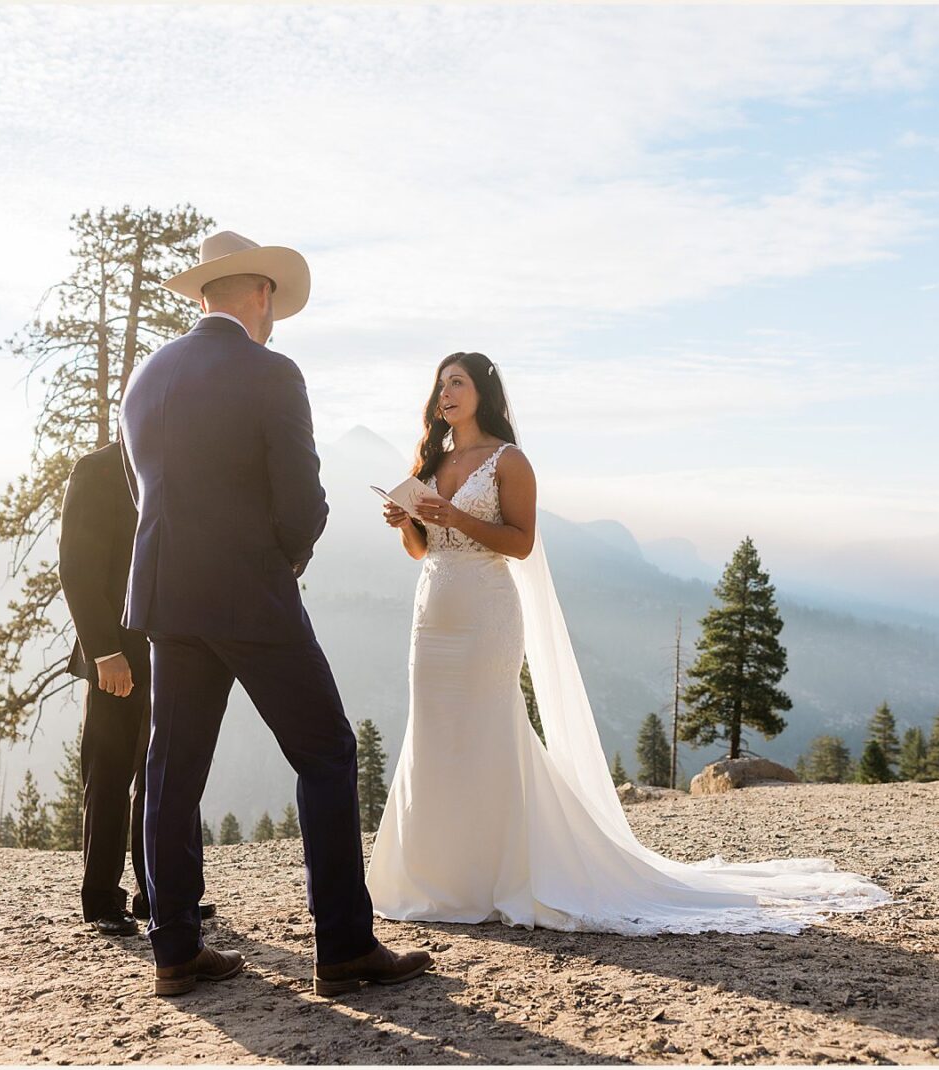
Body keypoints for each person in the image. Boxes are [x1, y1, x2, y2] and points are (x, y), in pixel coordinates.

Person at [365, 351, 894, 935]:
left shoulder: (508, 461)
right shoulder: (433, 460)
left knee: (487, 731)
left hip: (485, 615)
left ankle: (494, 874)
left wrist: (458, 520)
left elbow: (520, 543)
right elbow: (423, 549)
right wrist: (408, 524)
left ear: (482, 392)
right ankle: (434, 876)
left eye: (457, 382)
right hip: (433, 614)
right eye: (441, 384)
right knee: (435, 733)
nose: (446, 393)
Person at [119, 230, 432, 997]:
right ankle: (345, 949)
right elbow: (302, 500)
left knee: (173, 770)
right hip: (251, 593)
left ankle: (175, 950)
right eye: (273, 305)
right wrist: (286, 555)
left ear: (204, 297)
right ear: (258, 295)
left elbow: (142, 492)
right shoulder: (271, 373)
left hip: (166, 596)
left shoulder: (145, 376)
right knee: (326, 751)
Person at [57, 443, 215, 936]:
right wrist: (105, 652)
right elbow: (77, 570)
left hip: (177, 648)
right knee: (108, 775)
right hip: (116, 657)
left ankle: (161, 894)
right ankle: (102, 899)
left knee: (168, 776)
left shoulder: (186, 462)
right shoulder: (96, 470)